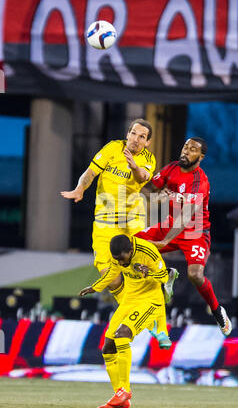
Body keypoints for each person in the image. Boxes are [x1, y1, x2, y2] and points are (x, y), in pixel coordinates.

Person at [61, 118, 177, 348]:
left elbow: (143, 177)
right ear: (128, 133)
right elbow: (90, 172)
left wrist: (133, 165)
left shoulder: (147, 159)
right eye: (134, 133)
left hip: (131, 221)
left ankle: (159, 325)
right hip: (104, 224)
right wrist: (80, 188)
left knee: (145, 271)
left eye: (142, 136)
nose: (136, 139)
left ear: (148, 142)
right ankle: (144, 318)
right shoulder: (112, 148)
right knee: (111, 277)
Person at [137, 137, 232, 336]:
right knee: (131, 245)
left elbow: (187, 216)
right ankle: (164, 276)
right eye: (185, 147)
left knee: (195, 275)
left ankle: (217, 311)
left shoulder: (200, 181)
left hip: (195, 232)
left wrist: (164, 241)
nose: (186, 151)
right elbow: (146, 190)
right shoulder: (171, 168)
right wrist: (156, 194)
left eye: (192, 149)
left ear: (201, 157)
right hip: (171, 224)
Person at [79, 234, 169, 408]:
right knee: (108, 347)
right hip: (129, 300)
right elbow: (112, 273)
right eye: (117, 260)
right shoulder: (118, 257)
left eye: (122, 259)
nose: (120, 263)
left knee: (122, 335)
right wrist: (94, 287)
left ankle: (125, 390)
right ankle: (121, 397)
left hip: (150, 301)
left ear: (130, 250)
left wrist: (149, 273)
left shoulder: (147, 251)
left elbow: (165, 276)